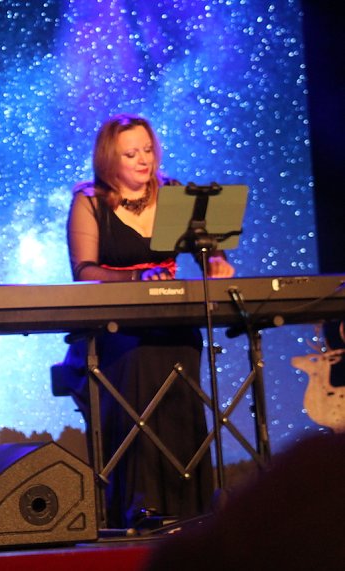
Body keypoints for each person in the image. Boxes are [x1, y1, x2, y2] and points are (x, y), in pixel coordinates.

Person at [64, 113, 235, 529]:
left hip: (172, 319)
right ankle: (141, 505)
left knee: (183, 356)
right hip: (118, 328)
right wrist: (138, 277)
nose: (144, 160)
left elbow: (207, 249)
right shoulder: (89, 201)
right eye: (131, 153)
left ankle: (193, 504)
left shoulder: (174, 193)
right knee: (139, 363)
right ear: (109, 160)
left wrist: (216, 260)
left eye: (148, 150)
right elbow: (84, 271)